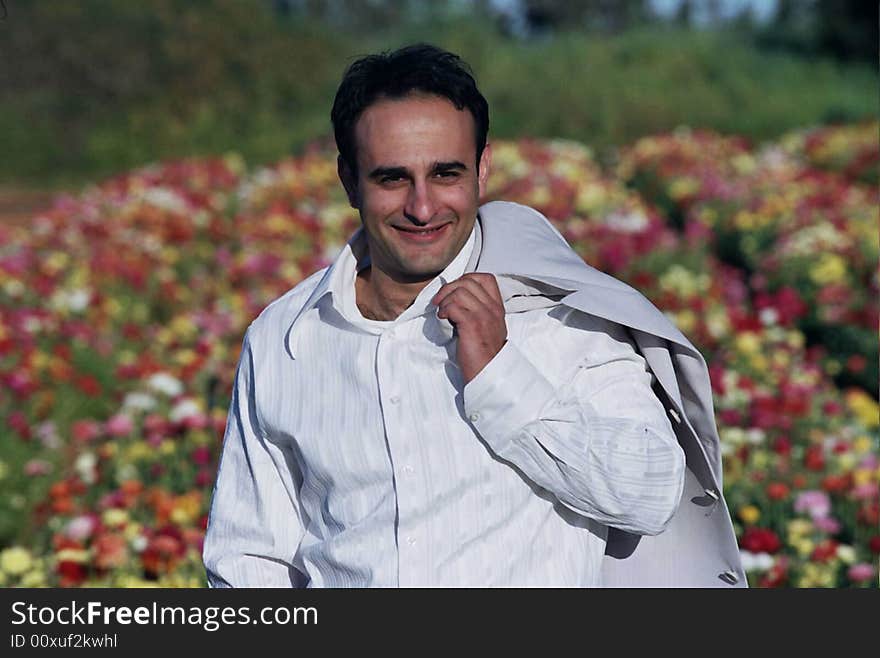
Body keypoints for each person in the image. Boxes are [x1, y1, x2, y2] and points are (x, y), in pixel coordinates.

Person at [203, 43, 745, 587]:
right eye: (392, 178)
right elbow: (249, 560)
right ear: (349, 180)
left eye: (445, 174)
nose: (421, 207)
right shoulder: (284, 339)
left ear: (482, 169)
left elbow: (648, 495)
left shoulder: (562, 318)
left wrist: (501, 376)